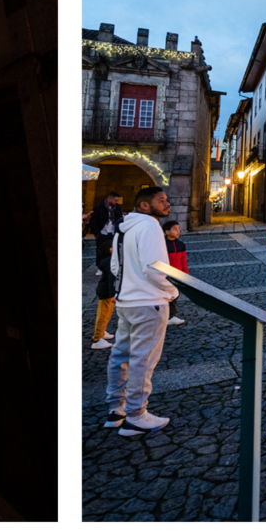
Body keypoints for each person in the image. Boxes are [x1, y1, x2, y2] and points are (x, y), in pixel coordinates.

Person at [105, 183, 175, 436]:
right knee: (143, 360)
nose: (167, 204)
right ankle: (136, 415)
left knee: (120, 355)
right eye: (162, 200)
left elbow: (115, 267)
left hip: (125, 302)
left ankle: (116, 410)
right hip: (148, 302)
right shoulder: (150, 226)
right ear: (145, 205)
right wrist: (171, 292)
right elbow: (154, 268)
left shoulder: (123, 227)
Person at [87, 193, 124, 349]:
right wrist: (114, 294)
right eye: (115, 200)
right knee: (103, 314)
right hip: (106, 293)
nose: (116, 202)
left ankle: (101, 332)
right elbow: (111, 279)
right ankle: (97, 338)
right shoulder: (109, 263)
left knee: (106, 314)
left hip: (106, 292)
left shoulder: (117, 209)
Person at [161, 219, 189, 325]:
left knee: (175, 295)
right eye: (175, 229)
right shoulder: (162, 244)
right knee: (164, 295)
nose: (178, 231)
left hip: (178, 274)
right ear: (167, 232)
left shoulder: (181, 244)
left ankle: (170, 316)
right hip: (166, 274)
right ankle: (164, 315)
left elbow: (183, 260)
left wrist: (185, 273)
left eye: (179, 229)